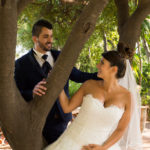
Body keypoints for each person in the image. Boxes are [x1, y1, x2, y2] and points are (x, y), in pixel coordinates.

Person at [14, 19, 100, 144]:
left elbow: (79, 76)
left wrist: (103, 75)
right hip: (39, 122)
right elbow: (17, 94)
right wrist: (32, 92)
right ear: (35, 39)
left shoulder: (61, 57)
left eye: (51, 36)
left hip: (62, 119)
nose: (50, 40)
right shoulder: (21, 64)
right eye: (45, 36)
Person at [44, 43, 142, 150]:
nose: (97, 66)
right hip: (71, 143)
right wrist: (58, 84)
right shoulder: (89, 85)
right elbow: (67, 107)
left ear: (113, 70)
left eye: (102, 63)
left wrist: (103, 147)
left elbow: (121, 129)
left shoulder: (127, 96)